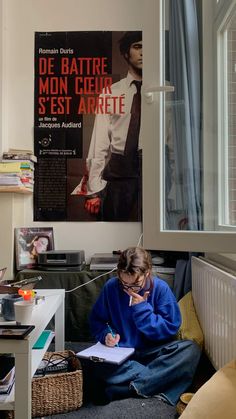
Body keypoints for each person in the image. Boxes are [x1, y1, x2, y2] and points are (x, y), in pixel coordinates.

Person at [82, 247, 201, 405]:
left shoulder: (160, 288)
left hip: (154, 352)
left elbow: (170, 329)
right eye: (124, 284)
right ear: (118, 274)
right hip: (122, 354)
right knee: (90, 362)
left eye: (136, 284)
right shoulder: (111, 287)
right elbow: (97, 321)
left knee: (190, 350)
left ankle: (128, 388)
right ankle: (157, 380)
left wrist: (143, 311)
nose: (130, 290)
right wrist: (106, 335)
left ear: (147, 273)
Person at [72, 31, 143, 221]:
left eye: (148, 46)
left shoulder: (165, 90)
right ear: (126, 53)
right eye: (137, 46)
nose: (144, 52)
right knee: (114, 232)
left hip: (156, 173)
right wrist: (94, 190)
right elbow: (99, 144)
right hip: (119, 175)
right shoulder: (110, 93)